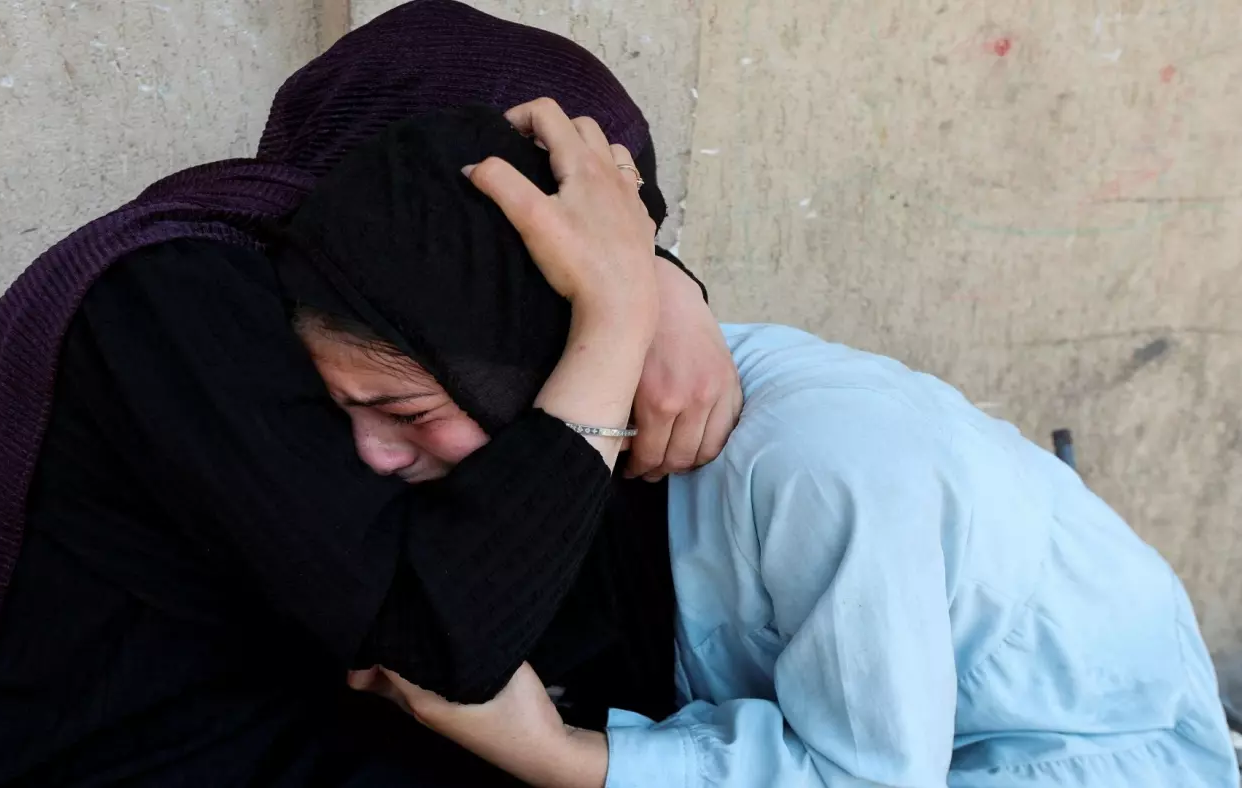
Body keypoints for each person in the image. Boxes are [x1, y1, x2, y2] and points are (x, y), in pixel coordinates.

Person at [279, 101, 1241, 787]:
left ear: (514, 351)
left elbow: (867, 776)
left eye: (405, 413)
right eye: (347, 411)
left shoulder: (813, 471)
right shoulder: (607, 411)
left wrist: (563, 758)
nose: (373, 454)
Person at [0, 3, 739, 786]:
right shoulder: (177, 298)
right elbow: (442, 648)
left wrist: (656, 282)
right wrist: (618, 316)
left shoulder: (411, 325)